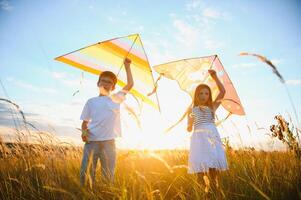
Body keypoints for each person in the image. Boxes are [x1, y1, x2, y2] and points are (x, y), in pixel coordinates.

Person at [79, 58, 133, 186]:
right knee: (86, 175)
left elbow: (130, 84)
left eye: (109, 82)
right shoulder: (91, 101)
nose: (106, 83)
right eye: (103, 80)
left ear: (113, 87)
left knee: (108, 177)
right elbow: (85, 122)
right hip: (91, 142)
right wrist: (84, 132)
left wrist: (127, 66)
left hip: (109, 143)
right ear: (98, 83)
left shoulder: (116, 98)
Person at [187, 69, 228, 191]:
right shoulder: (192, 110)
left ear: (209, 95)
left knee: (212, 165)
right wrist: (189, 126)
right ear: (196, 95)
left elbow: (222, 91)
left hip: (211, 137)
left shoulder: (212, 107)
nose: (203, 96)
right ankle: (202, 190)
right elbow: (189, 127)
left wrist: (214, 76)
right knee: (200, 166)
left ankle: (215, 189)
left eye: (206, 93)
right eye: (200, 93)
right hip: (199, 139)